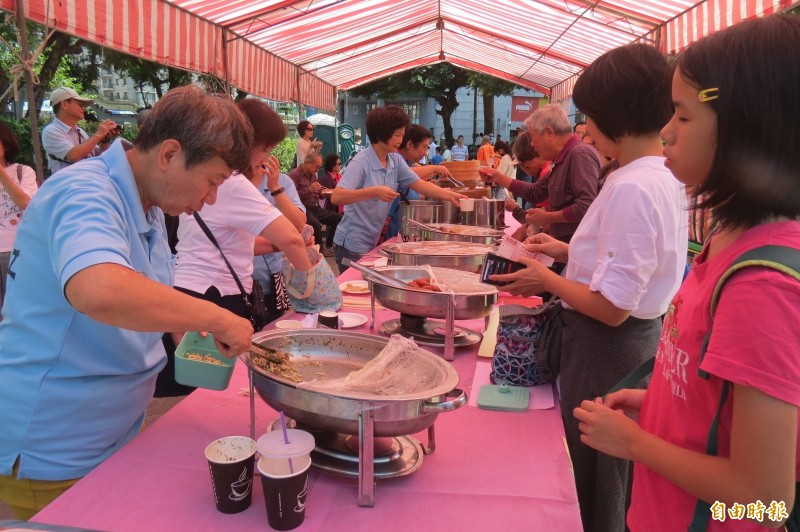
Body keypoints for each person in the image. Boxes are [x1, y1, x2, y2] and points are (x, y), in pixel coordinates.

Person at [574, 16, 800, 531]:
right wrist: (659, 406)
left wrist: (635, 443)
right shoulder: (726, 242)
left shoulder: (761, 284)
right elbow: (720, 403)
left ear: (746, 123)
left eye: (682, 117)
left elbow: (764, 503)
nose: (667, 133)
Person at [0, 86, 256, 519]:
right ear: (170, 155)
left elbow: (151, 298)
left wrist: (196, 341)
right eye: (212, 181)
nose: (211, 198)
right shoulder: (84, 191)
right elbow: (99, 288)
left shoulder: (149, 205)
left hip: (116, 425)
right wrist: (218, 318)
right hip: (59, 439)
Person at [493, 43, 687, 531]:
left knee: (596, 478)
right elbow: (627, 263)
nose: (585, 130)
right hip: (627, 344)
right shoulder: (659, 174)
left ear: (611, 117)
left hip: (609, 347)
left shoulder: (632, 185)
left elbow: (613, 307)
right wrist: (563, 253)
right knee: (606, 476)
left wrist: (547, 277)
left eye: (589, 118)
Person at [157, 99, 313, 397]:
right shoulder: (233, 183)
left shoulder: (223, 180)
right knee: (211, 392)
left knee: (201, 390)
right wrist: (311, 290)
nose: (267, 157)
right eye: (266, 148)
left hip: (192, 290)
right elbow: (291, 238)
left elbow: (235, 244)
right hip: (213, 295)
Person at [330, 105, 464, 273]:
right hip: (351, 244)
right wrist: (374, 191)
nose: (401, 140)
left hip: (371, 241)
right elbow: (337, 196)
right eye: (397, 135)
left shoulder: (394, 160)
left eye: (402, 134)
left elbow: (419, 184)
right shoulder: (361, 162)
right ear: (381, 134)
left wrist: (450, 195)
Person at [480, 104, 600, 244]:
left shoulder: (579, 154)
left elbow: (587, 205)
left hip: (575, 249)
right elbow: (535, 191)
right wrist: (498, 177)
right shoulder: (563, 158)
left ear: (549, 133)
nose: (532, 144)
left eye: (533, 138)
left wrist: (548, 218)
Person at [385, 124, 454, 239]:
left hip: (397, 232)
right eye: (424, 147)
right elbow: (406, 174)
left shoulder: (407, 162)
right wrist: (434, 168)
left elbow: (414, 187)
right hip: (387, 232)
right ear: (410, 144)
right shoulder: (395, 159)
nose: (426, 153)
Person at [0, 122, 38, 320]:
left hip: (16, 250)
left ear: (5, 144)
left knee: (17, 311)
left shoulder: (23, 172)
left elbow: (28, 204)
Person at [41, 87, 121, 175]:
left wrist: (104, 140)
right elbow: (74, 156)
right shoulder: (51, 131)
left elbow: (98, 157)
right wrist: (99, 134)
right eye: (80, 104)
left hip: (87, 181)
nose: (83, 108)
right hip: (68, 185)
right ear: (65, 104)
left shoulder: (80, 131)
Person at [289, 152, 341, 256]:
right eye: (316, 167)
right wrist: (309, 189)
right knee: (315, 224)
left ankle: (330, 245)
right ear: (308, 163)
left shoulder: (312, 175)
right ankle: (319, 250)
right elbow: (290, 197)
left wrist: (323, 194)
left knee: (339, 218)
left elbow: (317, 192)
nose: (317, 170)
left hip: (314, 207)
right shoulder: (295, 174)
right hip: (302, 209)